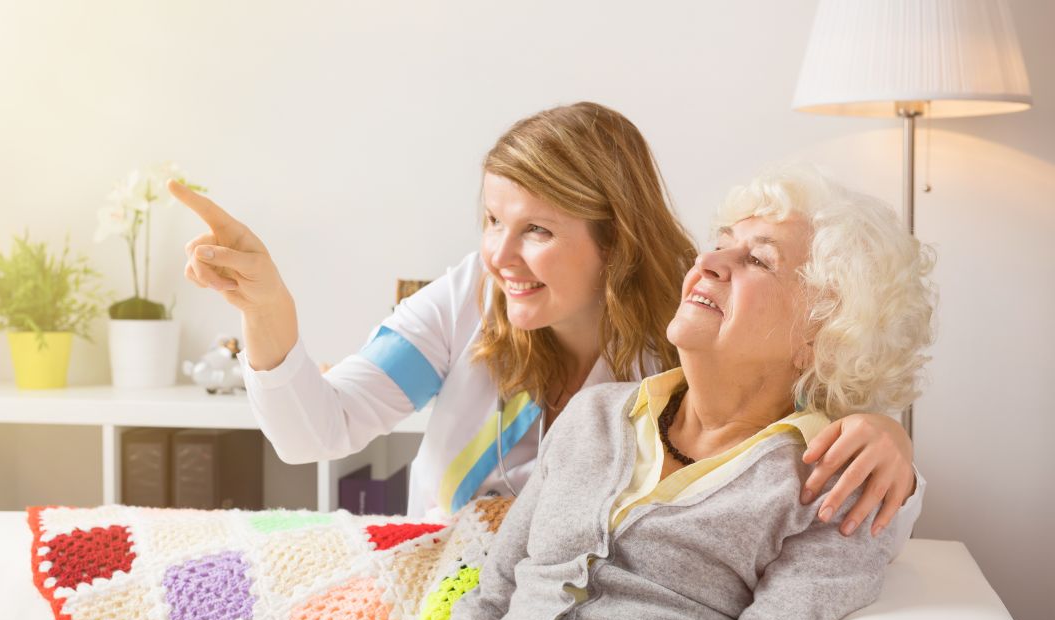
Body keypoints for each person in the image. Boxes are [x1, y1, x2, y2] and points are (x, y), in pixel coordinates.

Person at [352, 164, 936, 620]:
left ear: (823, 333)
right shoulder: (594, 417)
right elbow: (490, 603)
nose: (711, 261)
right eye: (722, 240)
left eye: (758, 260)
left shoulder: (838, 479)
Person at [169, 101, 921, 537]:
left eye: (537, 230)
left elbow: (800, 419)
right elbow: (317, 431)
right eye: (493, 219)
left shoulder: (695, 332)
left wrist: (886, 431)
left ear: (613, 239)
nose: (501, 253)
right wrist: (269, 308)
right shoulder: (473, 295)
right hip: (436, 575)